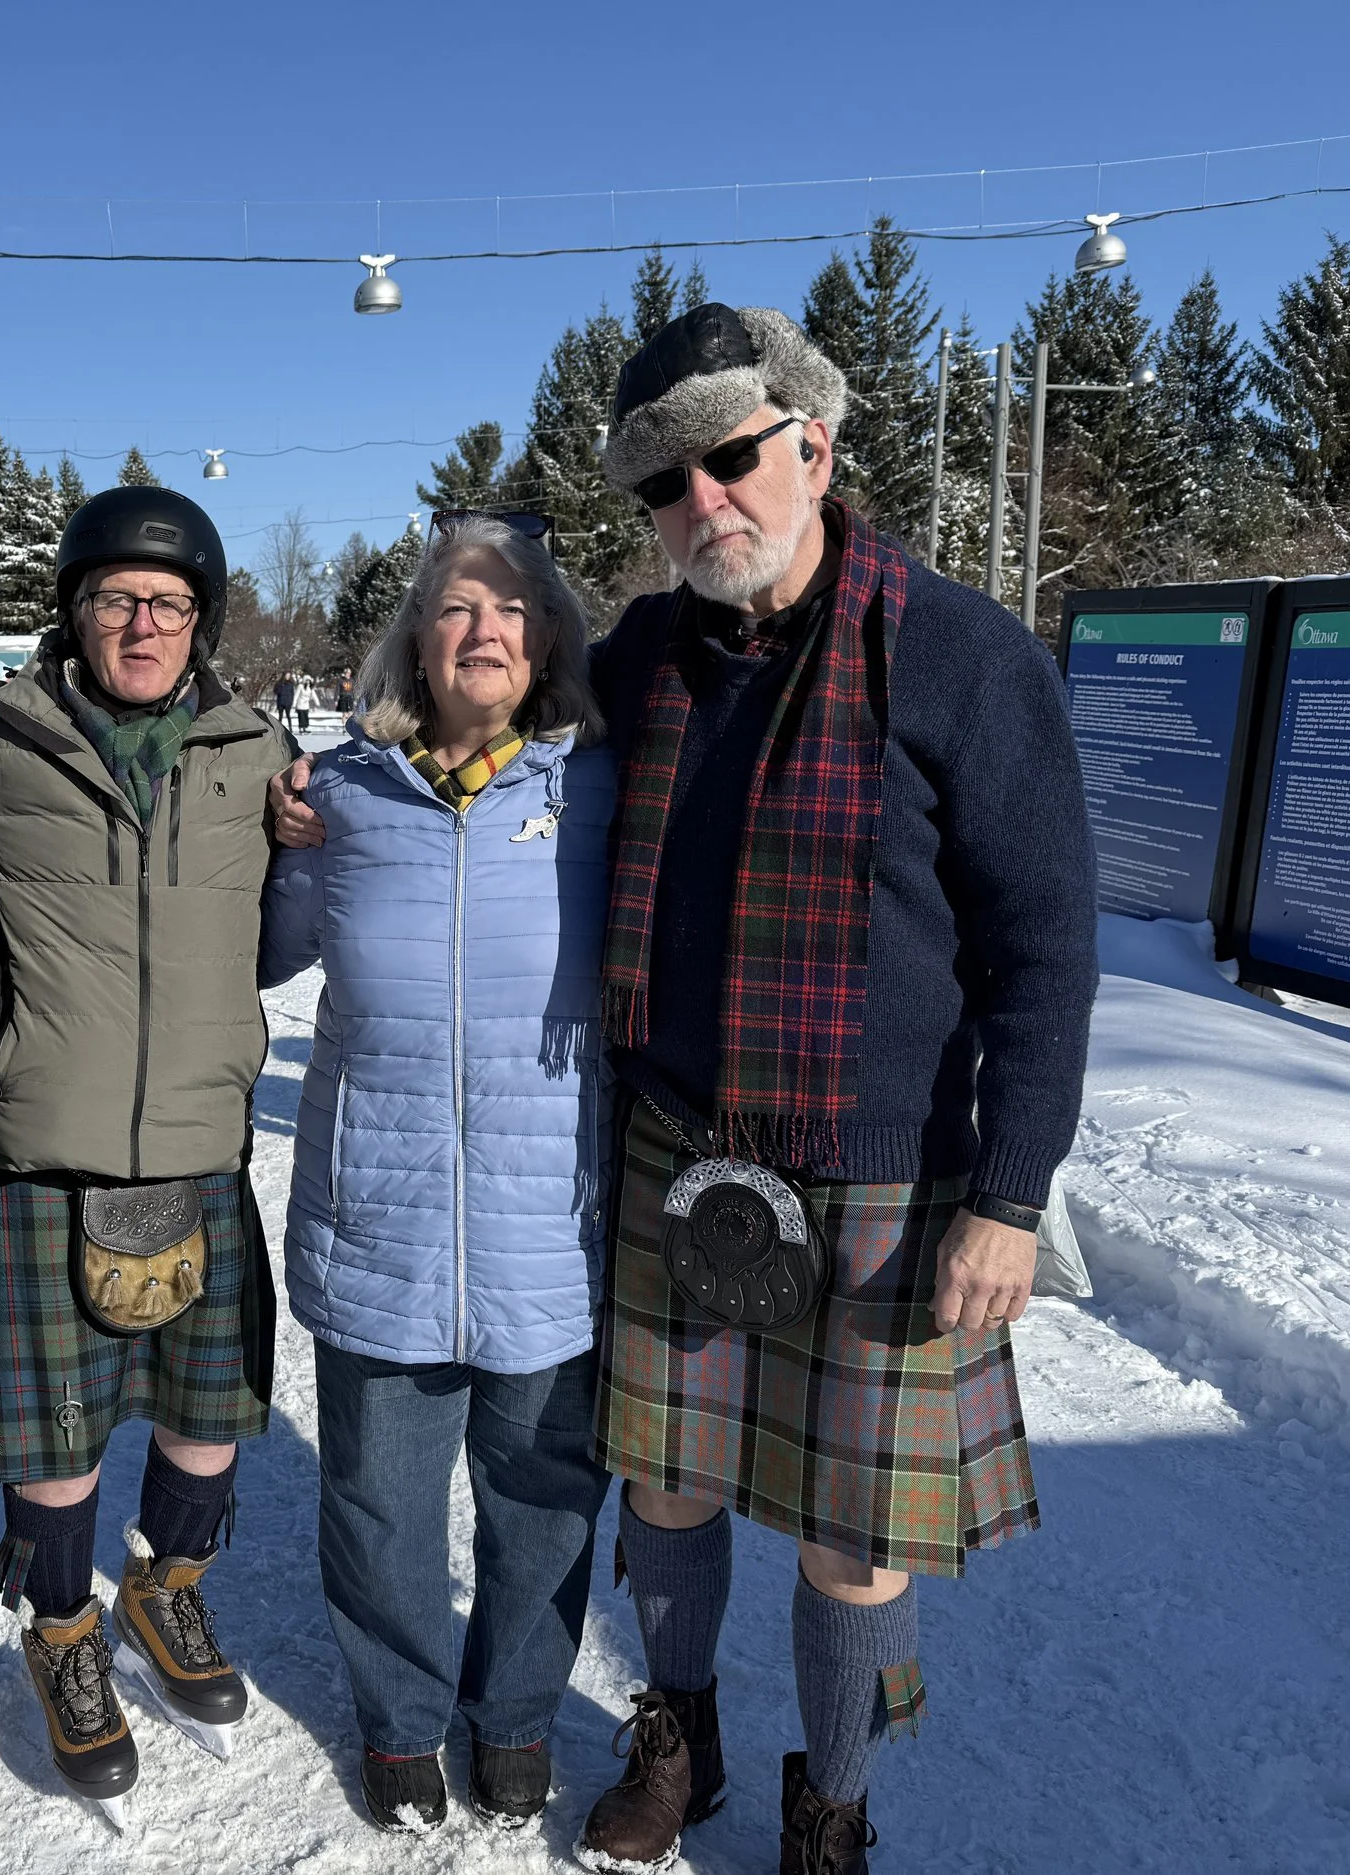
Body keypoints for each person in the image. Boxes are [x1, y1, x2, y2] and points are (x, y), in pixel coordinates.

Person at [572, 304, 1095, 1874]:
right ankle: (679, 1732)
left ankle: (835, 1799)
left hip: (880, 1177)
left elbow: (1047, 948)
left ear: (814, 437)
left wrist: (1009, 1191)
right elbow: (500, 738)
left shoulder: (958, 651)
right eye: (666, 483)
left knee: (850, 1543)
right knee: (664, 1482)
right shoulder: (641, 657)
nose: (703, 503)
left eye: (730, 456)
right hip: (681, 1146)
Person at [0, 486, 293, 1809]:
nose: (144, 622)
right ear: (74, 609)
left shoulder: (255, 751)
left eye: (171, 602)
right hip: (47, 1145)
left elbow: (299, 907)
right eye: (119, 597)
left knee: (206, 1421)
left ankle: (168, 1587)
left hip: (202, 1140)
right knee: (60, 1429)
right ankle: (66, 1630)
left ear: (200, 623)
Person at [257, 514, 619, 1835]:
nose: (483, 631)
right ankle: (403, 1720)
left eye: (512, 609)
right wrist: (276, 833)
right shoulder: (344, 793)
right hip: (382, 1217)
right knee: (379, 1503)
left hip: (551, 1228)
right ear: (416, 638)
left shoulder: (601, 793)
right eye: (457, 609)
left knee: (543, 1505)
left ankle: (515, 1711)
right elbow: (263, 953)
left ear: (549, 643)